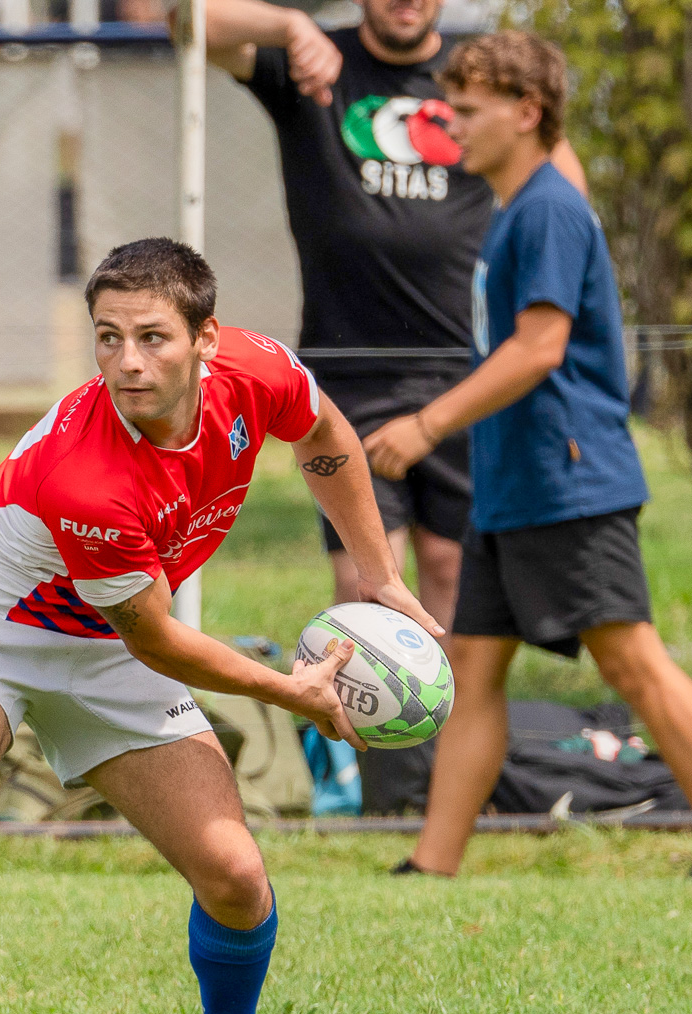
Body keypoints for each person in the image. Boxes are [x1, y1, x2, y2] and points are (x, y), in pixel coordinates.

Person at [0, 238, 441, 1014]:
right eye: (107, 338)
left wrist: (381, 574)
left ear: (207, 340)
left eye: (151, 337)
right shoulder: (90, 473)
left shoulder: (260, 373)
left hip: (104, 640)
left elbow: (324, 436)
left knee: (235, 872)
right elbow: (159, 638)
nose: (127, 361)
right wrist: (292, 691)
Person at [359, 32, 692, 880]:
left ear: (527, 112)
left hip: (568, 481)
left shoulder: (546, 208)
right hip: (510, 488)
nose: (451, 128)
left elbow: (541, 346)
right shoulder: (522, 202)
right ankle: (432, 864)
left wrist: (428, 426)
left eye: (467, 112)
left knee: (632, 662)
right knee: (473, 667)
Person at [204, 0, 587, 630]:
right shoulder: (312, 64)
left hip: (464, 368)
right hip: (350, 367)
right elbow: (188, 22)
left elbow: (561, 189)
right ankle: (364, 726)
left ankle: (438, 725)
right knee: (364, 579)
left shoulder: (475, 76)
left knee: (450, 566)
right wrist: (291, 26)